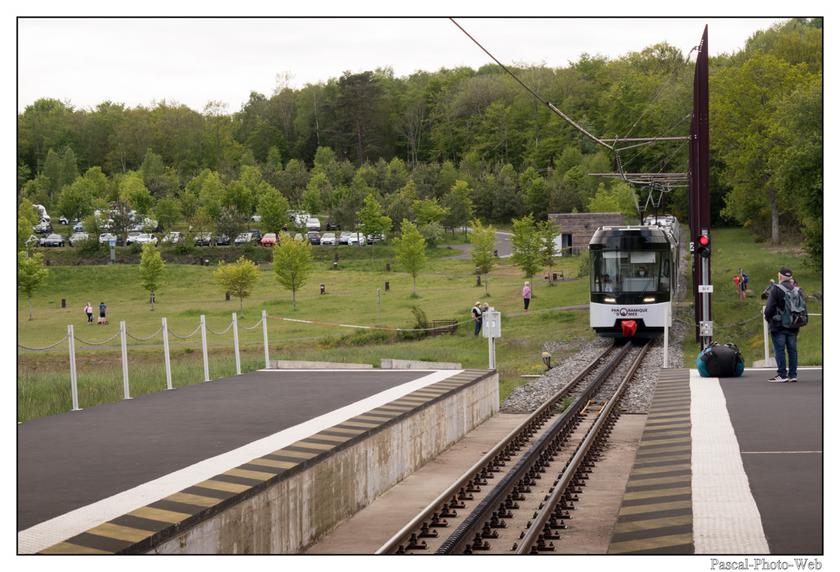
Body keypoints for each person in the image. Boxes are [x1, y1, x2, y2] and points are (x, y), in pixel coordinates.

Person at [763, 267, 799, 383]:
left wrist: (768, 319)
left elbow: (769, 309)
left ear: (781, 277)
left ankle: (782, 375)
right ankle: (793, 375)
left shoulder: (776, 289)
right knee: (792, 350)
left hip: (778, 325)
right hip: (794, 324)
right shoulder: (797, 290)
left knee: (779, 350)